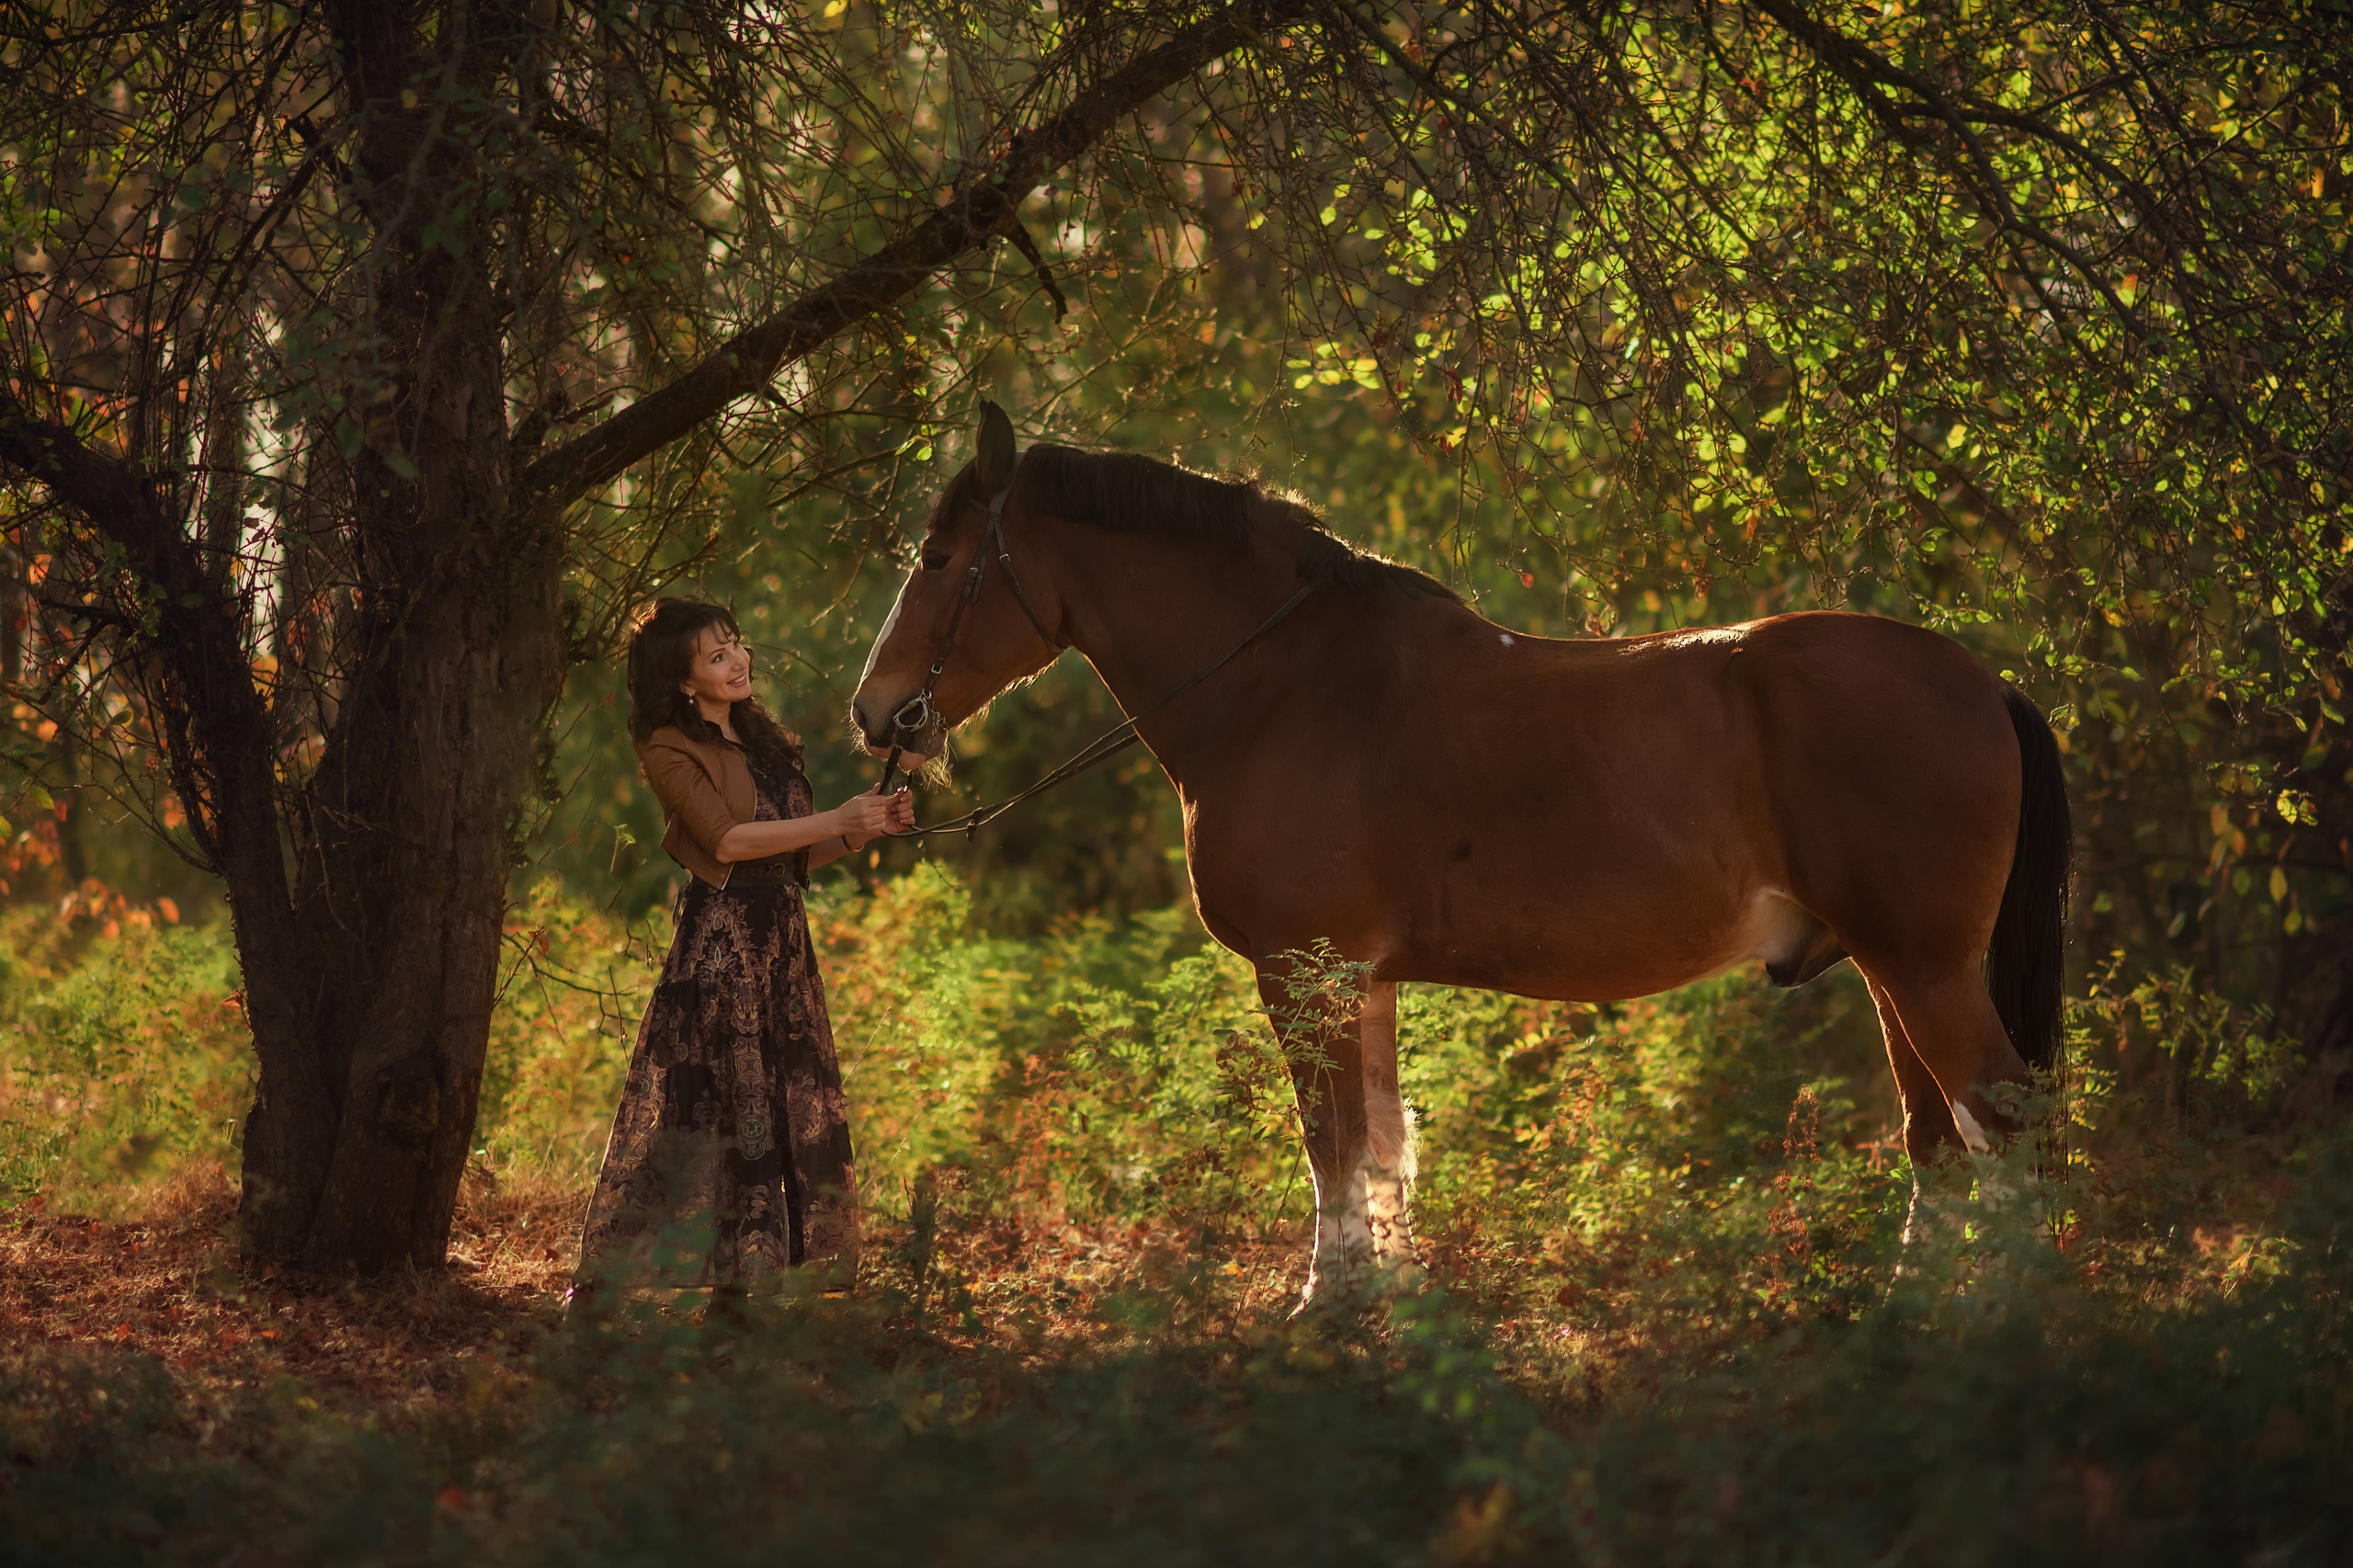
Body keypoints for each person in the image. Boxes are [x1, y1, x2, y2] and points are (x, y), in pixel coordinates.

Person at [574, 597, 914, 1303]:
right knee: (718, 1109)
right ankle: (640, 1283)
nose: (738, 662)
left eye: (737, 645)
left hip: (783, 946)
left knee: (782, 1103)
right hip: (723, 949)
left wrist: (865, 827)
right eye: (717, 655)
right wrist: (836, 816)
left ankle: (765, 1284)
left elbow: (793, 854)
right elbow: (726, 842)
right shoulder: (667, 745)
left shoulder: (762, 739)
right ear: (683, 678)